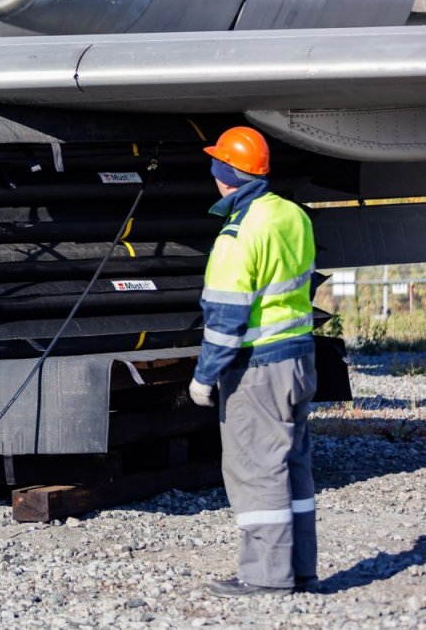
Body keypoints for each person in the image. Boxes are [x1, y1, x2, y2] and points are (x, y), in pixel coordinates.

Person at [188, 126, 318, 597]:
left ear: (224, 176)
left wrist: (204, 377)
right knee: (292, 467)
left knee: (256, 470)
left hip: (258, 368)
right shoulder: (292, 215)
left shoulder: (237, 234)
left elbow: (225, 319)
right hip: (300, 358)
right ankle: (300, 571)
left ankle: (265, 578)